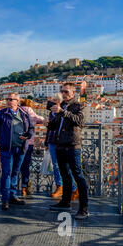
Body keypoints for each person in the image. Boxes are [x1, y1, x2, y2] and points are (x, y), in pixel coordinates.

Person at [48, 83, 89, 219]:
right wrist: (51, 117)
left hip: (72, 145)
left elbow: (80, 121)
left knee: (78, 176)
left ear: (73, 93)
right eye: (62, 91)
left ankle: (84, 208)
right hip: (60, 145)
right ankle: (65, 202)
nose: (63, 94)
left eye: (66, 92)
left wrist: (62, 112)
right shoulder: (62, 106)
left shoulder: (79, 105)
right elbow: (54, 126)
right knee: (65, 176)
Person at [0, 93, 34, 211]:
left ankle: (13, 196)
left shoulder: (24, 113)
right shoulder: (1, 114)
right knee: (7, 173)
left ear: (17, 101)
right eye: (7, 99)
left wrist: (28, 135)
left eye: (11, 99)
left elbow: (31, 128)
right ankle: (5, 199)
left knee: (15, 172)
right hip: (6, 148)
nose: (8, 101)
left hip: (21, 147)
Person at [45, 94, 78, 200]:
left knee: (65, 167)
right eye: (52, 100)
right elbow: (50, 128)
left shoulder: (64, 111)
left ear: (59, 102)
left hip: (62, 142)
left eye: (55, 101)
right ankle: (60, 186)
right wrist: (46, 142)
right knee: (55, 166)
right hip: (52, 141)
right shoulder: (51, 113)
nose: (52, 102)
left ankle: (73, 188)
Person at [19, 99, 45, 198]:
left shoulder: (18, 110)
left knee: (15, 165)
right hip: (28, 143)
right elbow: (41, 119)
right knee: (25, 165)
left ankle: (11, 187)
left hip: (16, 142)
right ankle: (24, 188)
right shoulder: (30, 112)